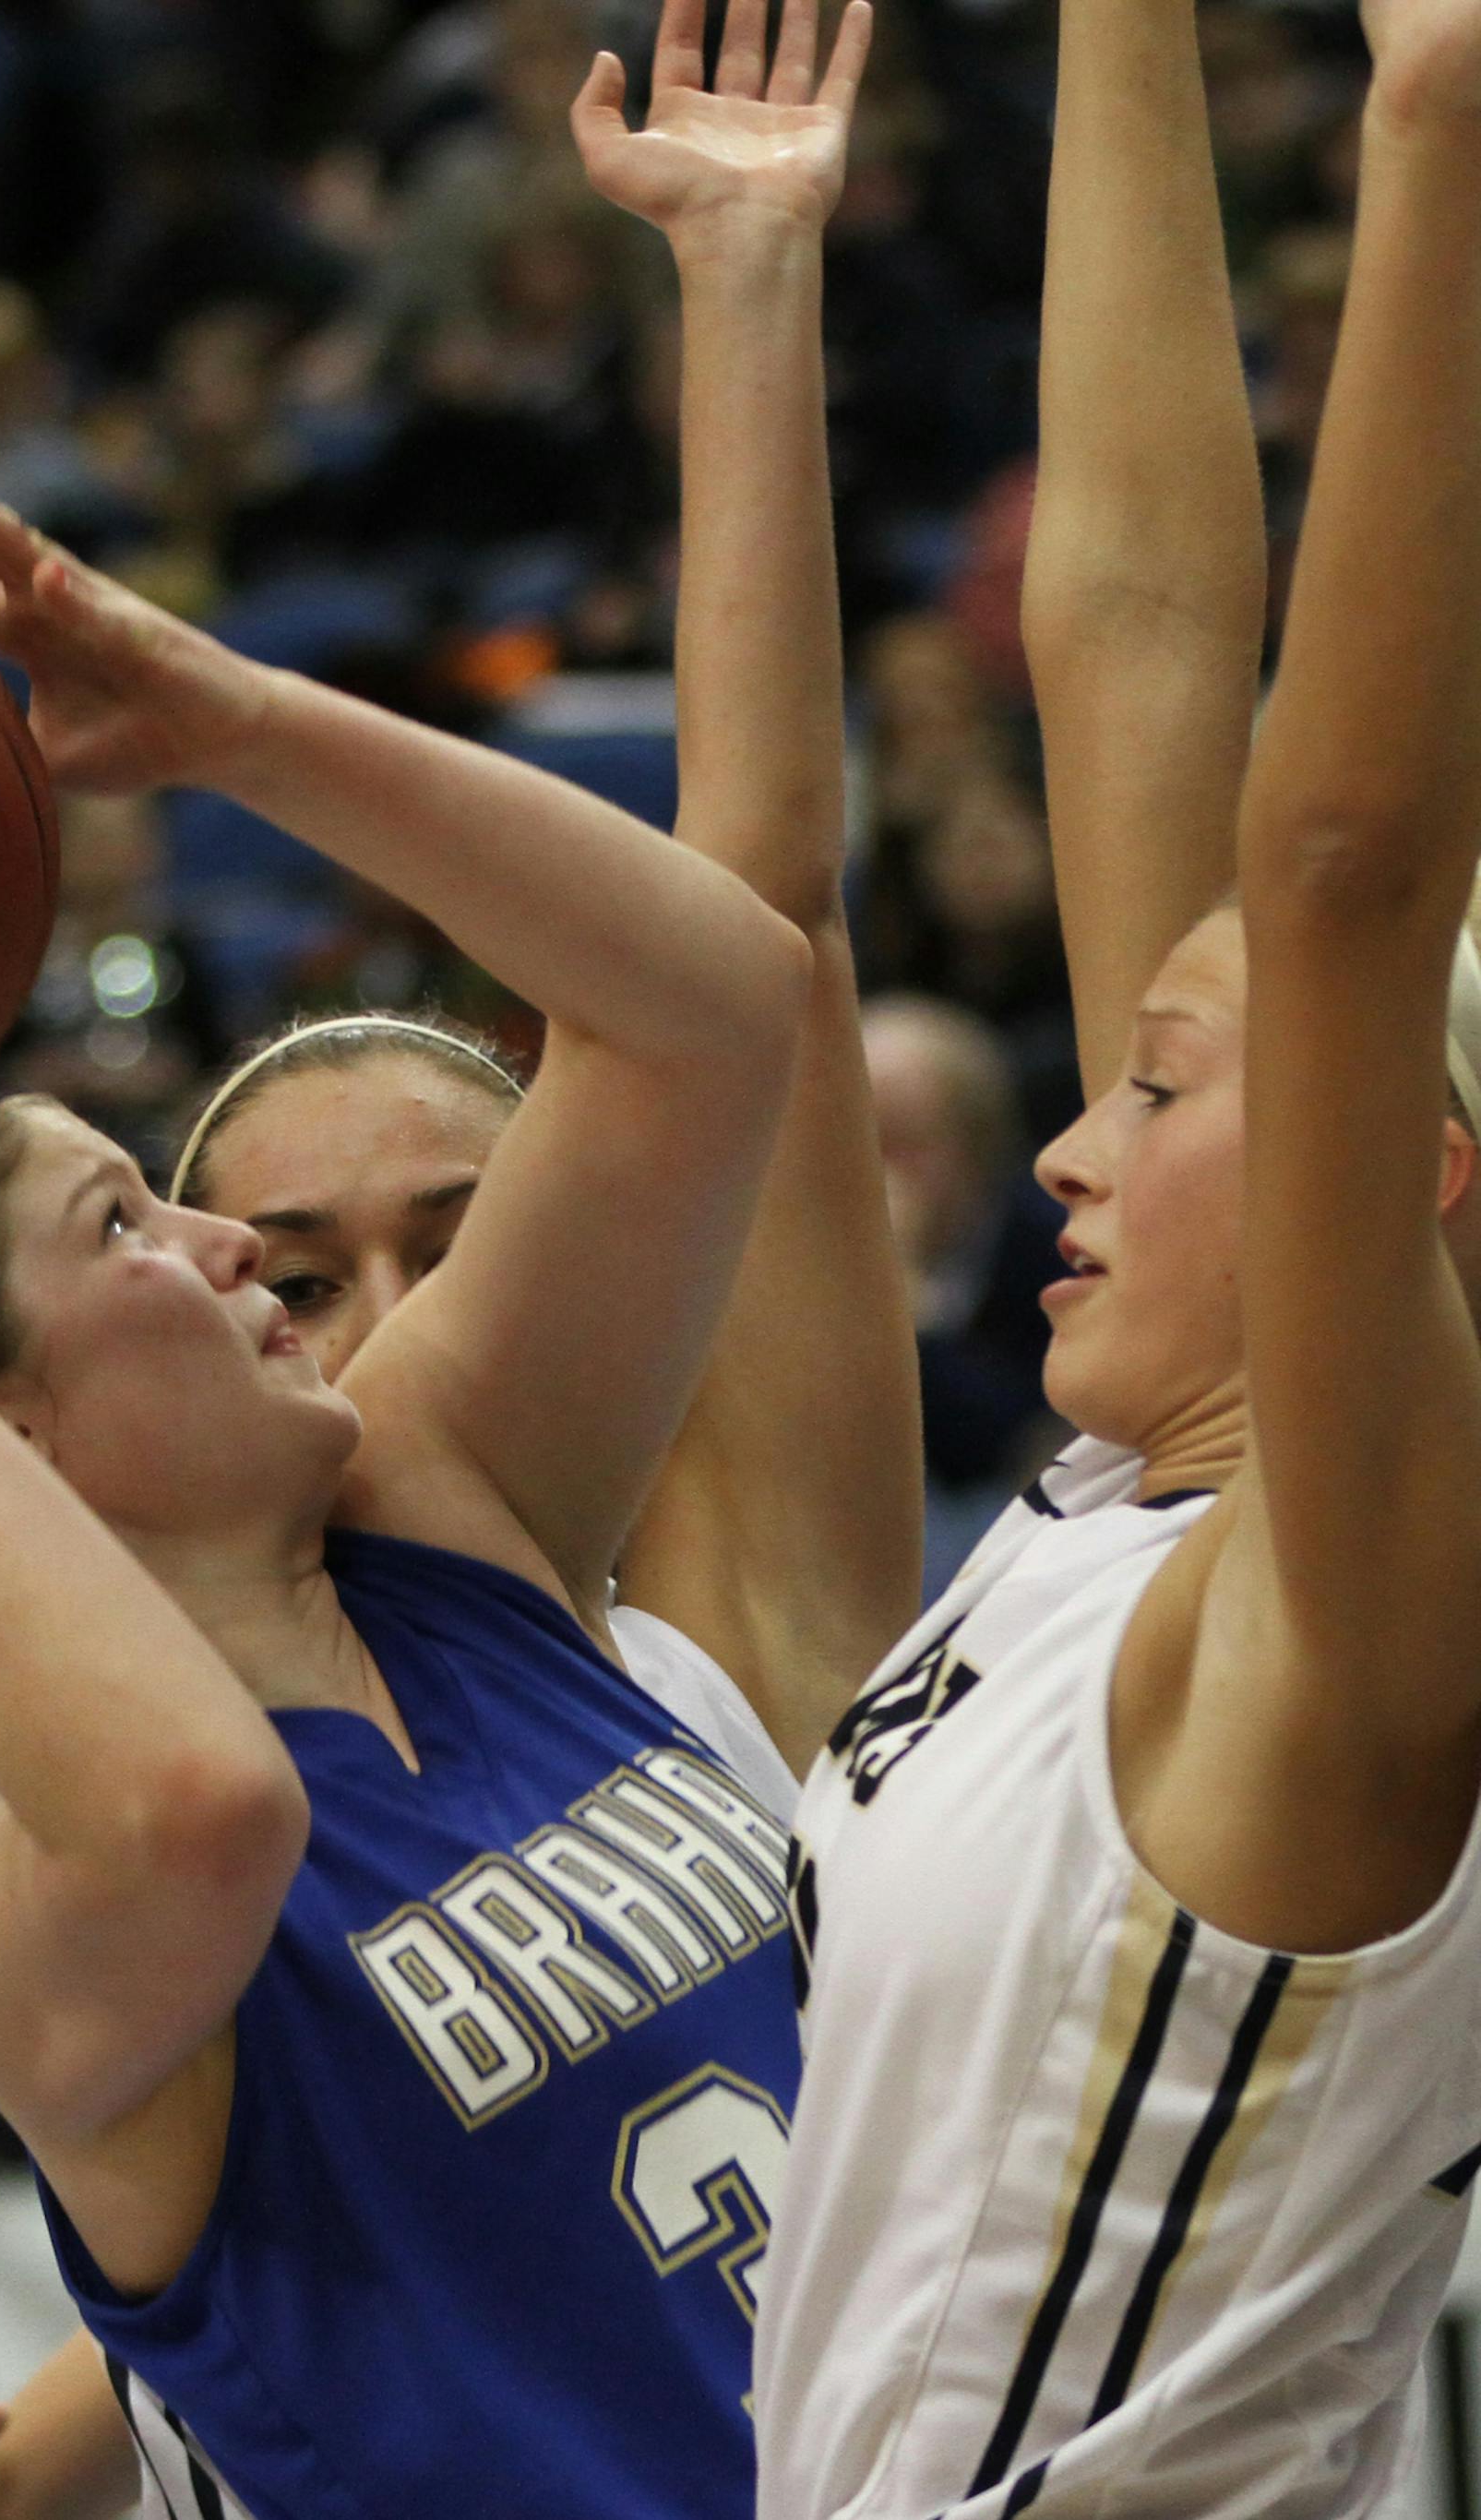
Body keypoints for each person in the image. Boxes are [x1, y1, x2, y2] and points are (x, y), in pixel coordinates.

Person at [0, 0, 922, 2501]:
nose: (284, 1276)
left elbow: (733, 963)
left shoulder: (482, 1533)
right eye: (186, 1217)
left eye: (456, 1236)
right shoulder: (40, 1818)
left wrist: (250, 717)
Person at [752, 0, 1481, 2513]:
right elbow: (1142, 622)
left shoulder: (1344, 1617)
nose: (1072, 1136)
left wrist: (1434, 124)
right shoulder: (1118, 1516)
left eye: (1158, 1090)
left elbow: (1353, 861)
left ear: (1406, 1183)